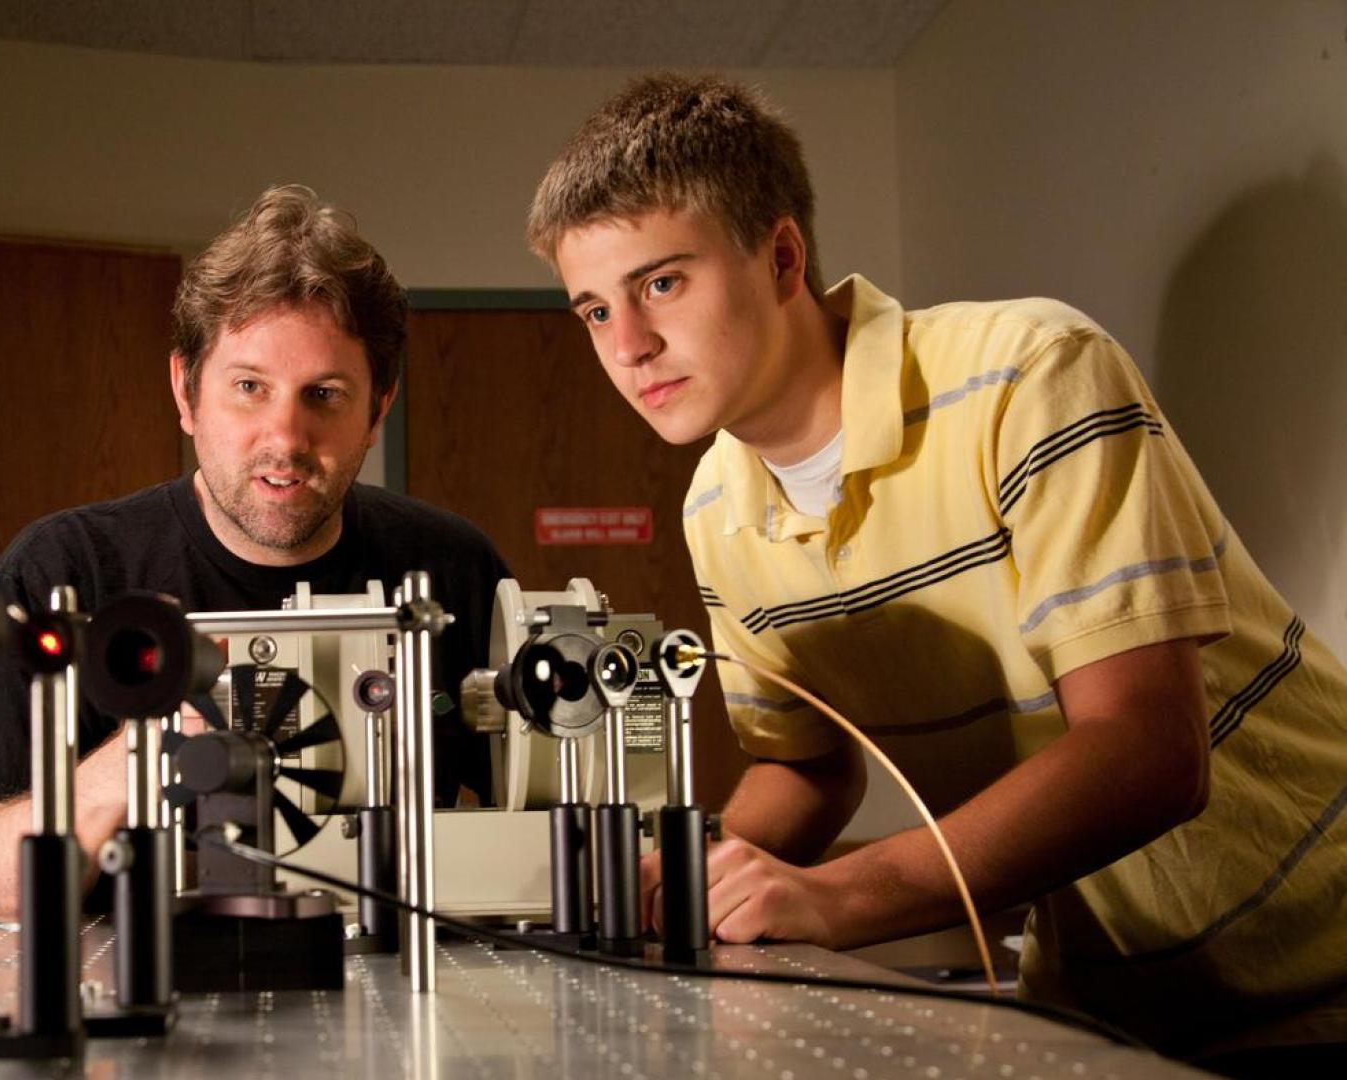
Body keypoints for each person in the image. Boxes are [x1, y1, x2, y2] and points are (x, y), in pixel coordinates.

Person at [527, 74, 1347, 1067]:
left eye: (661, 283)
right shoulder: (716, 509)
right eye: (592, 311)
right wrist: (691, 875)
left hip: (1322, 958)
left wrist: (837, 897)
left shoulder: (1029, 374)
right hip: (1105, 997)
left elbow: (1148, 751)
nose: (629, 346)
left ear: (781, 257)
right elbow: (807, 762)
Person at [0, 185, 510, 920]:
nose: (286, 437)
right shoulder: (63, 571)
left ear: (377, 410)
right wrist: (131, 763)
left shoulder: (452, 569)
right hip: (139, 1007)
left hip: (401, 996)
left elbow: (554, 833)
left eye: (323, 394)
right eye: (249, 387)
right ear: (186, 392)